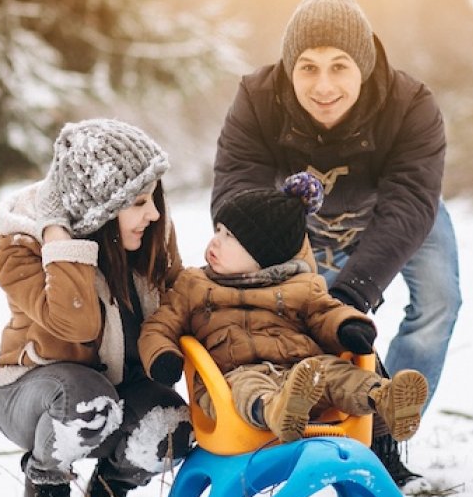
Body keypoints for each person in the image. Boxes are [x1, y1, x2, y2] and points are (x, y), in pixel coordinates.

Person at [211, 0, 460, 485]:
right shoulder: (258, 99)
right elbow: (235, 190)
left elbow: (410, 203)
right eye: (308, 67)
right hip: (300, 222)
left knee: (439, 301)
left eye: (339, 66)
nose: (324, 85)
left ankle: (391, 427)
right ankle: (340, 433)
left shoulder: (411, 105)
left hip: (396, 215)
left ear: (363, 67)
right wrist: (296, 280)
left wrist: (354, 291)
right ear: (289, 68)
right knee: (312, 323)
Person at [0, 118, 193, 497]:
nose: (152, 214)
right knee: (87, 399)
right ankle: (47, 486)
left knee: (172, 425)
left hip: (119, 392)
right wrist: (59, 239)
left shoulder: (148, 239)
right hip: (33, 397)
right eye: (137, 203)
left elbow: (184, 302)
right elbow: (76, 325)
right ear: (98, 208)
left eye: (152, 199)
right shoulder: (21, 249)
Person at [140, 173, 428, 445]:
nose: (215, 240)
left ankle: (385, 398)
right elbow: (160, 325)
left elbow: (326, 312)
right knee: (248, 386)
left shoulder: (300, 286)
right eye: (218, 230)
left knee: (335, 372)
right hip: (231, 380)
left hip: (303, 375)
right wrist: (163, 356)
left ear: (263, 256)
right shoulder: (194, 285)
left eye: (230, 236)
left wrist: (348, 326)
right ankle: (277, 411)